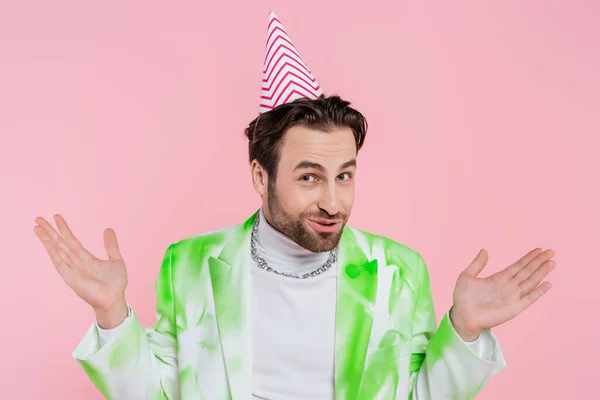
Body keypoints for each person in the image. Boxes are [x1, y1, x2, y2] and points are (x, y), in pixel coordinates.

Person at [33, 11, 556, 400]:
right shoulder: (189, 264)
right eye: (309, 177)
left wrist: (462, 330)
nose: (333, 200)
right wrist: (110, 314)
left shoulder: (398, 270)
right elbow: (158, 394)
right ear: (261, 176)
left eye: (345, 176)